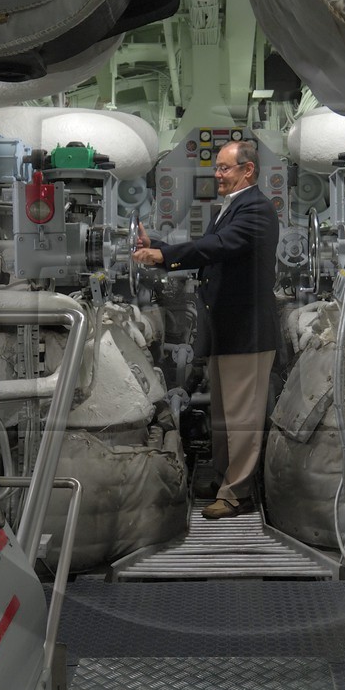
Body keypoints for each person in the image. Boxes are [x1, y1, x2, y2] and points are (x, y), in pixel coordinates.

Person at [133, 139, 279, 519]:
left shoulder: (257, 210)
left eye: (224, 168)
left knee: (243, 418)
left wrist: (165, 255)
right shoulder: (231, 207)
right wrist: (159, 246)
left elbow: (218, 247)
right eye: (216, 168)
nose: (217, 175)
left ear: (248, 170)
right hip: (225, 330)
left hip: (246, 332)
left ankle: (238, 494)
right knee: (224, 416)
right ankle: (223, 479)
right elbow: (210, 248)